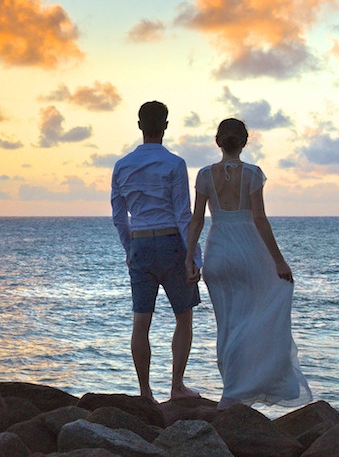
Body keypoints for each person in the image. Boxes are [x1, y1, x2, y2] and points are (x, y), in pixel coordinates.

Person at [185, 117, 312, 410]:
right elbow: (259, 219)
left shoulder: (205, 175)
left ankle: (232, 390)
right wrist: (279, 261)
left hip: (218, 253)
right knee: (253, 320)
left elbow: (196, 221)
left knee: (227, 324)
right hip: (248, 252)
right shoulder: (253, 174)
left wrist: (190, 258)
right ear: (243, 142)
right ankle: (239, 390)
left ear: (218, 141)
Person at [111, 100, 202, 404]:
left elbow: (118, 215)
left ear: (139, 126)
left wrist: (130, 247)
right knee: (184, 317)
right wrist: (193, 257)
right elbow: (183, 214)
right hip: (170, 243)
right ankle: (177, 386)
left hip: (140, 243)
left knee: (141, 321)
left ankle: (145, 393)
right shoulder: (175, 163)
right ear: (165, 126)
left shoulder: (121, 165)